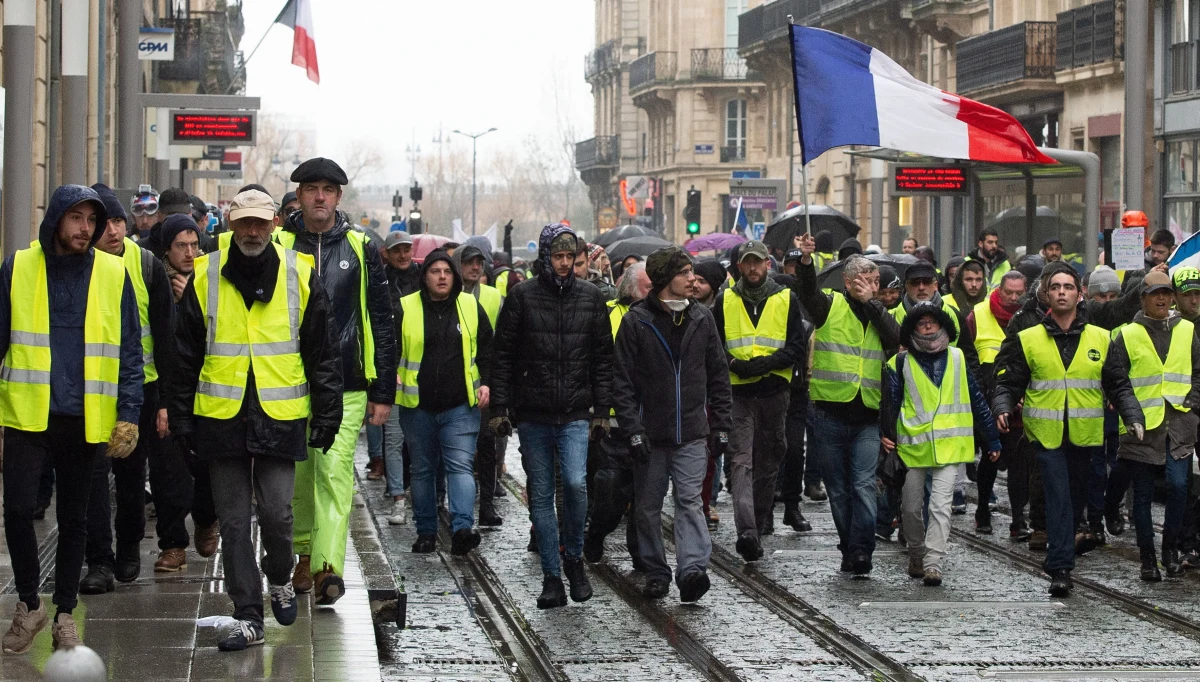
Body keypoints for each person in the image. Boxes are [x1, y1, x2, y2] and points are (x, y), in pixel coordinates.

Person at [169, 189, 342, 651]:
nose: (251, 231)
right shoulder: (204, 274)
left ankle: (281, 576)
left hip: (279, 413)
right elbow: (183, 356)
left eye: (259, 223)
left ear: (273, 225)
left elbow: (322, 353)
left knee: (277, 514)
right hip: (220, 414)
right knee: (232, 521)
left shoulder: (300, 275)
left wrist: (328, 410)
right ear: (229, 224)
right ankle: (247, 613)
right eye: (243, 223)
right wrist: (182, 418)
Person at [1, 185, 143, 653]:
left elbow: (129, 350)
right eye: (76, 218)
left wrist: (128, 412)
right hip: (28, 413)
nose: (85, 228)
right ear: (57, 219)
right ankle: (29, 604)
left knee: (75, 519)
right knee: (19, 509)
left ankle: (64, 612)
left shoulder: (112, 271)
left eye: (92, 220)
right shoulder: (18, 267)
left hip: (86, 415)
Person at [275, 158, 398, 605]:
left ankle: (329, 567)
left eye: (328, 189)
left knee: (333, 470)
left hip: (347, 382)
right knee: (299, 474)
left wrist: (383, 390)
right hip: (290, 379)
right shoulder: (279, 242)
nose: (320, 197)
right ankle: (303, 555)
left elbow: (381, 320)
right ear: (300, 196)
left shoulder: (361, 247)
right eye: (312, 189)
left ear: (339, 197)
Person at [992, 262, 1144, 597]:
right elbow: (1009, 379)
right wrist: (1003, 406)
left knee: (1075, 501)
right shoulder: (1027, 337)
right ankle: (1061, 568)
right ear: (1047, 293)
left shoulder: (1101, 338)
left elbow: (1118, 383)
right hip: (1044, 435)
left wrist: (1133, 415)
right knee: (1059, 495)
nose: (1062, 292)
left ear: (1080, 294)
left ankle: (1061, 551)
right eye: (1056, 287)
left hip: (1084, 434)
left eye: (1068, 287)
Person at [489, 223, 613, 609]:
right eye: (557, 257)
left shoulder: (591, 299)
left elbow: (602, 359)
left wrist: (602, 411)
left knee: (576, 484)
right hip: (534, 413)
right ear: (546, 257)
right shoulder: (521, 297)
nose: (564, 264)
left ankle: (573, 557)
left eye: (570, 258)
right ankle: (551, 576)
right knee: (541, 495)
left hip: (576, 410)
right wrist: (500, 409)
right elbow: (503, 356)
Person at [612, 247, 732, 602]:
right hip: (650, 435)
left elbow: (718, 375)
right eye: (685, 273)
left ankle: (692, 570)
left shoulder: (701, 319)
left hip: (693, 432)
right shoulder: (636, 322)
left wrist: (721, 423)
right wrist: (632, 429)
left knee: (690, 500)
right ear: (666, 280)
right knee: (647, 506)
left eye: (692, 272)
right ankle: (656, 571)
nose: (692, 279)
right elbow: (623, 383)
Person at [79, 186, 177, 594]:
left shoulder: (147, 265)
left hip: (141, 388)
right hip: (89, 389)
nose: (115, 231)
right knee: (93, 477)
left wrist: (167, 401)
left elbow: (167, 334)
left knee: (132, 474)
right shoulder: (78, 265)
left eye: (120, 221)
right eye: (108, 223)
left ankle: (130, 549)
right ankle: (99, 559)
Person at [795, 234, 901, 575]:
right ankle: (849, 546)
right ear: (847, 281)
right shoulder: (830, 306)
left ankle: (862, 550)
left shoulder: (879, 312)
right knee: (839, 489)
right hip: (829, 412)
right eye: (862, 280)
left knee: (864, 484)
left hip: (868, 415)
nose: (869, 286)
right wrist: (806, 262)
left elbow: (896, 338)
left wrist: (873, 304)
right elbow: (807, 292)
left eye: (874, 281)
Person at [882, 303, 1001, 586]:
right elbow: (889, 404)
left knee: (940, 506)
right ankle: (916, 552)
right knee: (910, 508)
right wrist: (886, 435)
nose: (927, 326)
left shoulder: (958, 358)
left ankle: (933, 563)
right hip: (912, 447)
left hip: (951, 447)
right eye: (920, 322)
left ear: (943, 326)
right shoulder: (899, 362)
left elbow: (977, 400)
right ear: (911, 329)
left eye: (932, 321)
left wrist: (991, 438)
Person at [712, 240, 806, 562]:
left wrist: (769, 363)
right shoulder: (724, 300)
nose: (753, 268)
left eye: (758, 262)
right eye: (747, 262)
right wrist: (735, 364)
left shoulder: (785, 298)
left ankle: (761, 516)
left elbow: (797, 347)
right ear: (739, 266)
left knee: (768, 460)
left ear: (768, 265)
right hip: (737, 393)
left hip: (774, 393)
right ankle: (747, 531)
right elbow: (713, 347)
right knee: (740, 461)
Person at [1105, 271, 1200, 580]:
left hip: (1179, 423)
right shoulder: (1127, 334)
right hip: (1141, 426)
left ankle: (1170, 550)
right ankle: (1148, 558)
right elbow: (1116, 380)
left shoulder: (1186, 330)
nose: (1162, 298)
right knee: (1143, 495)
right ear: (1142, 298)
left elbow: (1198, 370)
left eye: (1166, 293)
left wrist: (1193, 401)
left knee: (1178, 486)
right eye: (1155, 293)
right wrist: (1131, 414)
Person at [396, 249, 492, 554]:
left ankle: (462, 527)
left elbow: (489, 349)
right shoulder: (405, 307)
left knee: (460, 466)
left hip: (460, 406)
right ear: (425, 277)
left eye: (447, 271)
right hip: (417, 406)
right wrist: (390, 380)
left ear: (455, 276)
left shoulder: (470, 306)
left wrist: (487, 383)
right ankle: (426, 531)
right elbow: (390, 347)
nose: (441, 277)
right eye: (435, 271)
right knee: (423, 470)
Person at [585, 261, 650, 563]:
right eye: (649, 287)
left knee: (645, 492)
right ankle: (597, 531)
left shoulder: (663, 317)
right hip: (612, 420)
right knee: (612, 489)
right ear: (632, 289)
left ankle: (641, 552)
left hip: (649, 419)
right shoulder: (609, 314)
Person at [968, 270, 1028, 537]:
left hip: (1019, 401)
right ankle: (982, 510)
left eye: (1019, 293)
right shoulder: (978, 315)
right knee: (990, 458)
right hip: (987, 401)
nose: (1014, 298)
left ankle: (1018, 520)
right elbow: (968, 358)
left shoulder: (1029, 318)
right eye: (1009, 293)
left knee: (1018, 463)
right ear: (999, 290)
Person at [454, 242, 505, 526]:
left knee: (487, 444)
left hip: (484, 381)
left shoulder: (493, 297)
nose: (475, 267)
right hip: (452, 383)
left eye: (479, 262)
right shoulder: (445, 292)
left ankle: (486, 503)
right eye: (469, 262)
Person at [138, 188, 193, 259]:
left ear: (190, 215)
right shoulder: (141, 249)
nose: (177, 220)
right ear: (159, 216)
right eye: (171, 216)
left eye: (182, 215)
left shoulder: (204, 246)